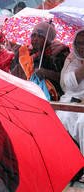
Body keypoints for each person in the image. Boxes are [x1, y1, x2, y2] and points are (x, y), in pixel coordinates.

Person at [10, 21, 70, 101]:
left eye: (40, 36)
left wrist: (47, 73)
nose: (35, 39)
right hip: (25, 93)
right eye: (33, 35)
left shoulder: (57, 53)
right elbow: (13, 74)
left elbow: (63, 78)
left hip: (51, 95)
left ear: (48, 40)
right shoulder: (24, 53)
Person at [57, 28, 84, 160]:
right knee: (62, 118)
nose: (81, 47)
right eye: (78, 43)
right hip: (71, 100)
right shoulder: (73, 59)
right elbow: (67, 83)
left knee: (82, 123)